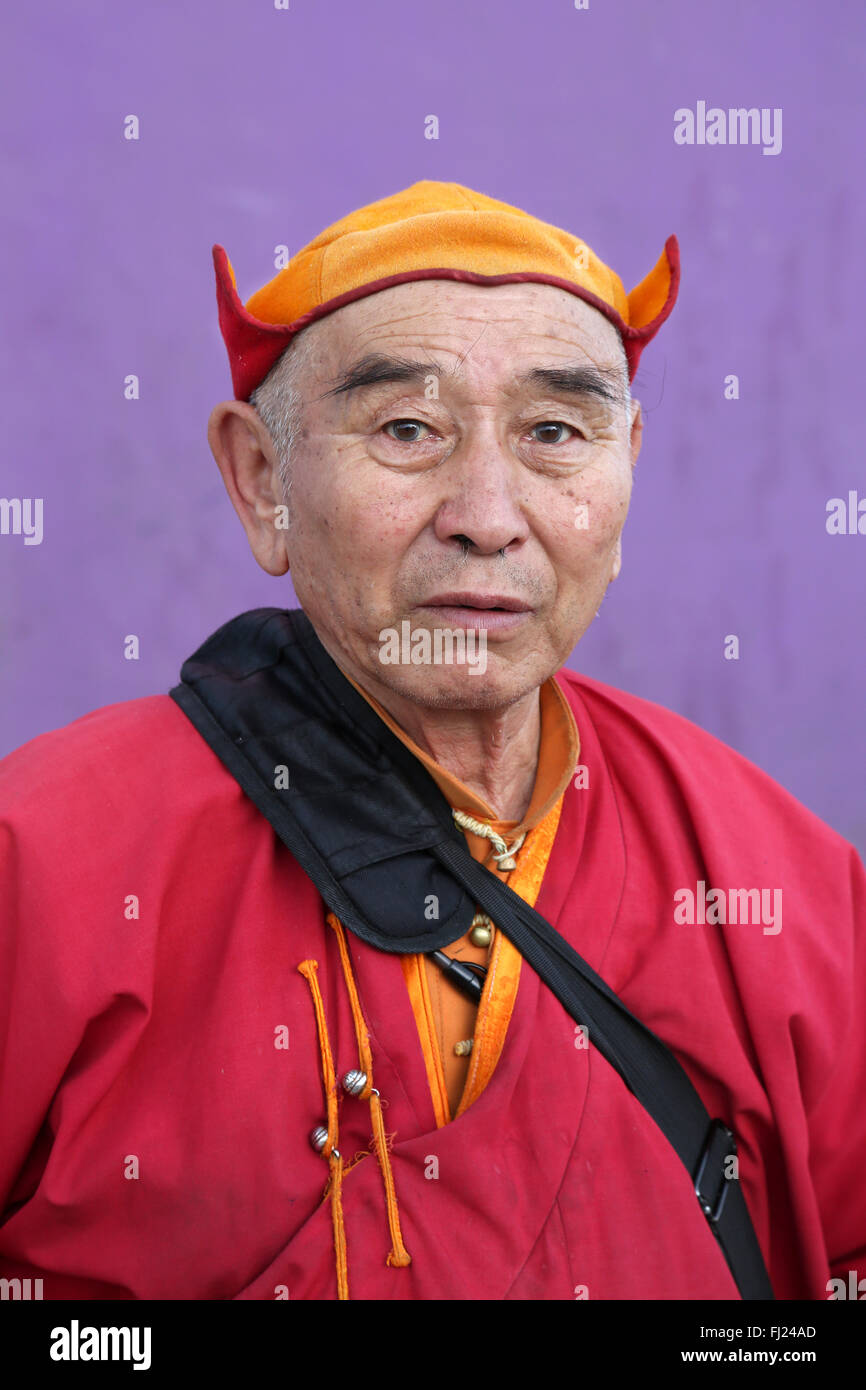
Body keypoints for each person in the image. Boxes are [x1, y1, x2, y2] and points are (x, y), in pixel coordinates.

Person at [0, 181, 863, 1302]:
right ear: (261, 478)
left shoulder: (775, 883)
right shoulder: (49, 857)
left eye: (554, 432)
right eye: (407, 428)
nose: (488, 513)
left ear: (628, 462)